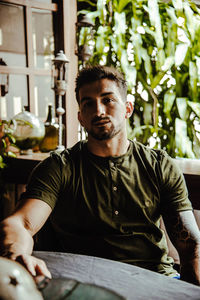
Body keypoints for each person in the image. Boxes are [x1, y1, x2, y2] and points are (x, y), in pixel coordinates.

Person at [0, 65, 200, 286]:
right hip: (80, 282)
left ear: (128, 108)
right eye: (88, 103)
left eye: (108, 100)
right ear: (81, 118)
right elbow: (21, 223)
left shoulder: (159, 165)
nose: (98, 111)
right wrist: (16, 253)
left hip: (153, 279)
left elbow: (191, 246)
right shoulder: (59, 167)